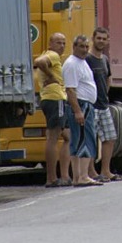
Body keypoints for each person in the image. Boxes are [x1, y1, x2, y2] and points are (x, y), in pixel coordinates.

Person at [62, 35, 102, 187]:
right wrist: (78, 111)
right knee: (86, 139)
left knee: (78, 141)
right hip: (81, 105)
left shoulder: (82, 62)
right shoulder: (72, 64)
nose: (85, 50)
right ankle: (83, 176)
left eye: (86, 47)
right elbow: (70, 90)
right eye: (81, 46)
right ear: (74, 47)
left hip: (85, 104)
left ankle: (78, 177)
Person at [33, 33, 72, 188]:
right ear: (50, 44)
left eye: (63, 43)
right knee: (53, 137)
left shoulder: (51, 55)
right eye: (58, 42)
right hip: (55, 99)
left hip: (54, 99)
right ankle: (51, 178)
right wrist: (52, 76)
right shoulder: (52, 55)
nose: (61, 46)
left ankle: (65, 175)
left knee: (68, 136)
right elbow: (38, 62)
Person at [88, 26, 122, 182]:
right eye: (99, 38)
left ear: (107, 41)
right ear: (93, 39)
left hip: (104, 105)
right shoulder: (87, 59)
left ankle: (106, 171)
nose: (101, 41)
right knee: (90, 140)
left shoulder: (104, 60)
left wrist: (105, 94)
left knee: (109, 138)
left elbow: (108, 78)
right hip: (92, 106)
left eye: (104, 39)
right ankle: (91, 172)